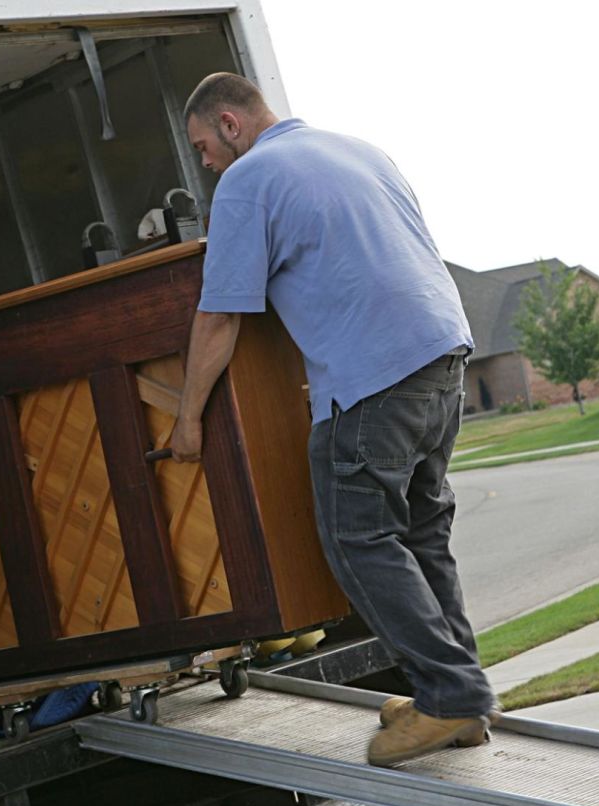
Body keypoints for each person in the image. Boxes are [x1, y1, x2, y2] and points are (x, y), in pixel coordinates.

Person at [170, 74, 495, 767]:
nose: (204, 163)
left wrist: (187, 418)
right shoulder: (358, 150)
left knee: (357, 538)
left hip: (372, 377)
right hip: (444, 355)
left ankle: (449, 692)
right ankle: (458, 696)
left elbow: (221, 314)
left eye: (202, 146)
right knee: (422, 531)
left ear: (230, 123)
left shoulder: (249, 178)